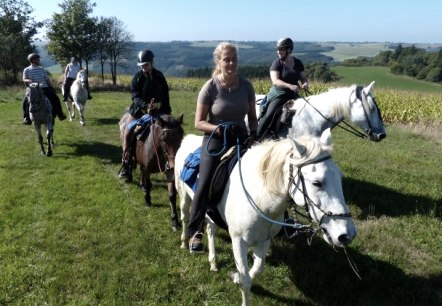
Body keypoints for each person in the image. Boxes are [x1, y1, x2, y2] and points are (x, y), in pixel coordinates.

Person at [188, 42, 258, 254]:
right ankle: (195, 232)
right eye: (226, 59)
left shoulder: (246, 86)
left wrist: (253, 135)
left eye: (234, 59)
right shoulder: (210, 87)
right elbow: (198, 122)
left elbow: (253, 118)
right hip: (216, 140)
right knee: (205, 180)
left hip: (242, 138)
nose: (231, 63)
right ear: (218, 61)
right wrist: (218, 130)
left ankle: (275, 220)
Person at [118, 49, 172, 182]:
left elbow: (165, 95)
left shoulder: (160, 77)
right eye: (141, 65)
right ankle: (126, 162)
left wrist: (165, 110)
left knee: (171, 133)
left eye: (145, 65)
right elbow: (135, 96)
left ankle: (169, 162)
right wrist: (145, 106)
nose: (143, 68)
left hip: (159, 110)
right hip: (139, 110)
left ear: (152, 63)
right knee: (128, 131)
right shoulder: (137, 77)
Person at [256, 37, 309, 139]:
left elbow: (303, 77)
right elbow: (275, 81)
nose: (278, 52)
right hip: (279, 94)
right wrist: (289, 85)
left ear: (288, 50)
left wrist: (305, 83)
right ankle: (257, 137)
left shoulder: (298, 63)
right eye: (277, 49)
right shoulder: (276, 63)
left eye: (280, 49)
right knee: (269, 114)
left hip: (293, 94)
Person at [22, 53, 67, 124]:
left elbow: (47, 79)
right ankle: (27, 118)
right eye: (37, 59)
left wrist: (51, 87)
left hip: (44, 87)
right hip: (33, 89)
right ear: (33, 60)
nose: (39, 60)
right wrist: (28, 80)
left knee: (55, 98)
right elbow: (24, 79)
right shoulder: (27, 70)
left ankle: (60, 114)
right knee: (25, 101)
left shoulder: (41, 69)